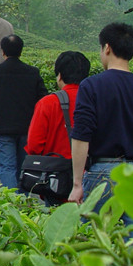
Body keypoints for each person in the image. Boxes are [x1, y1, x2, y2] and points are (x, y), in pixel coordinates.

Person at [68, 23, 133, 217]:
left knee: (99, 233)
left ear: (107, 48)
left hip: (104, 173)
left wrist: (77, 183)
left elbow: (81, 135)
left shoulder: (91, 86)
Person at [0, 34, 48, 190]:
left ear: (3, 51)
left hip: (3, 127)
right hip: (27, 127)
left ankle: (12, 200)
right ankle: (23, 198)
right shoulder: (32, 72)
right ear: (21, 51)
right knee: (24, 166)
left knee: (7, 166)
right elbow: (43, 101)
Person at [25, 51, 91, 205]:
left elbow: (34, 145)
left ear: (59, 76)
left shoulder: (47, 103)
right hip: (90, 179)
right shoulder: (95, 101)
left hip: (56, 181)